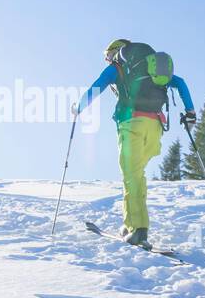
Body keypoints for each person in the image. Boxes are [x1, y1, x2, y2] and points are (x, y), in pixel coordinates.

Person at [73, 39, 196, 246]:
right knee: (137, 175)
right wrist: (190, 112)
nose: (107, 60)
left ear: (115, 52)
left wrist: (79, 106)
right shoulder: (151, 67)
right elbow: (180, 83)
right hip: (155, 127)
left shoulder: (117, 67)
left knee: (132, 177)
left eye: (107, 56)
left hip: (132, 124)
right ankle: (131, 223)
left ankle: (138, 229)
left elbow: (98, 87)